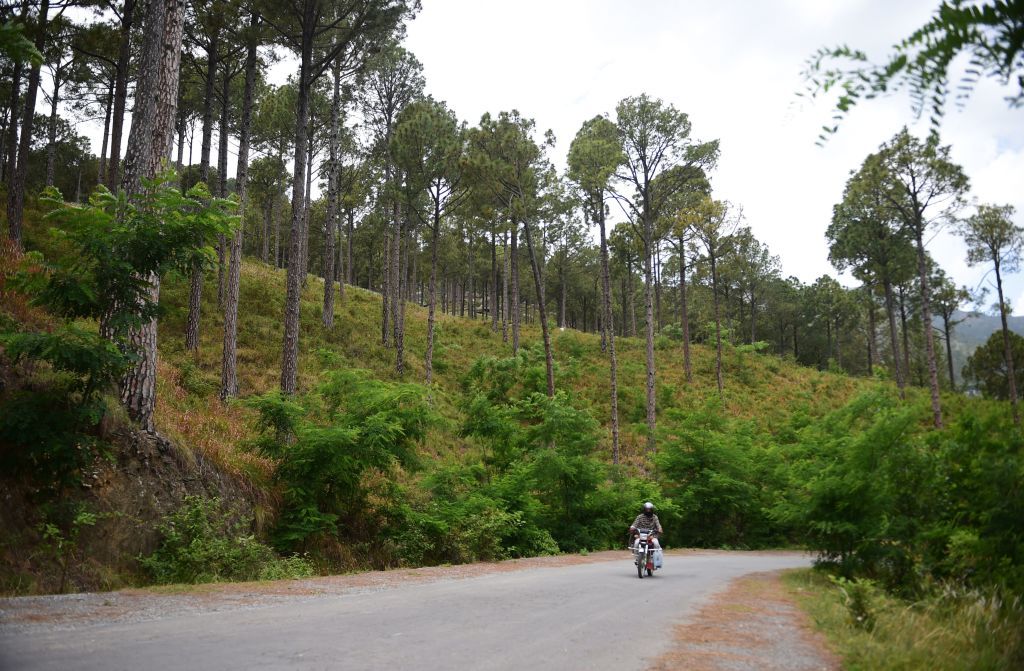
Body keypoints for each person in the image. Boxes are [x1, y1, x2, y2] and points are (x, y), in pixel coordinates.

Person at [629, 501, 663, 569]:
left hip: (651, 535)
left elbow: (658, 525)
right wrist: (632, 527)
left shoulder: (655, 517)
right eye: (647, 509)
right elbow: (634, 524)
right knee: (636, 543)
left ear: (652, 509)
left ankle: (654, 559)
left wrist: (659, 529)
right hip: (641, 535)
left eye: (649, 509)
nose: (648, 511)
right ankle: (637, 558)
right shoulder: (640, 517)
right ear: (644, 509)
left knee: (656, 543)